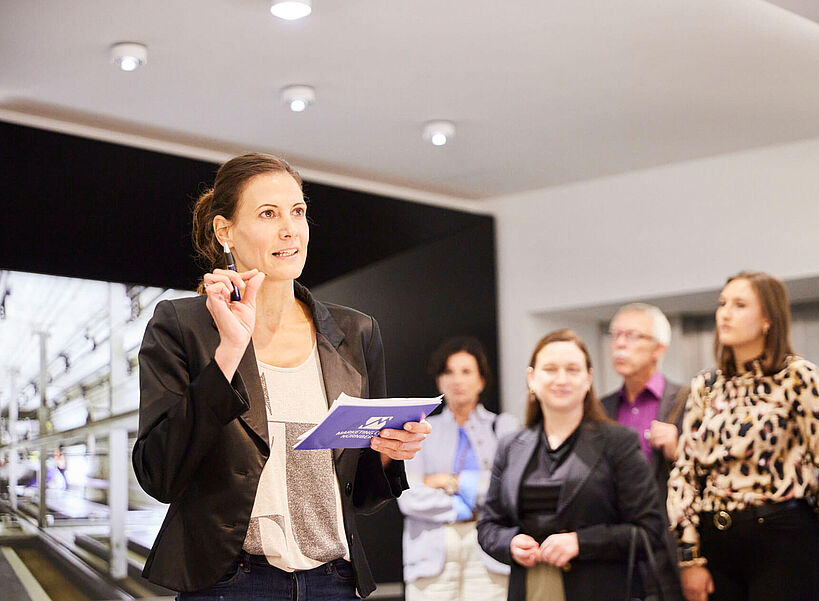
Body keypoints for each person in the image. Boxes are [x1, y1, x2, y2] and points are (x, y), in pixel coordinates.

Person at [132, 153, 431, 599]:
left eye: (298, 211)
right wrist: (229, 352)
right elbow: (159, 475)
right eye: (268, 214)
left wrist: (389, 453)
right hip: (230, 584)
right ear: (225, 231)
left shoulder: (355, 332)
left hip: (334, 581)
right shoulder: (183, 326)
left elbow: (362, 494)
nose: (290, 229)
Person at [668, 271, 819, 601]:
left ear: (767, 319)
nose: (725, 313)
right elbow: (685, 472)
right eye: (722, 304)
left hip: (782, 536)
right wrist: (689, 555)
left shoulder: (797, 377)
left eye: (740, 305)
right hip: (716, 540)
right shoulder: (706, 385)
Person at [477, 329, 667, 601]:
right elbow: (488, 526)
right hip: (530, 587)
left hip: (599, 590)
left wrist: (580, 542)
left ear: (588, 378)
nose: (561, 379)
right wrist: (510, 543)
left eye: (572, 369)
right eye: (550, 369)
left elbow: (649, 530)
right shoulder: (511, 446)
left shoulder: (618, 442)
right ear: (532, 378)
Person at [398, 336, 519, 601]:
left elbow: (509, 491)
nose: (457, 380)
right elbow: (408, 496)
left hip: (488, 550)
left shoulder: (503, 427)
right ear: (439, 380)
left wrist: (450, 482)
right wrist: (469, 504)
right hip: (431, 552)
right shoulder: (420, 430)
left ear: (481, 380)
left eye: (466, 372)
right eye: (449, 372)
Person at [600, 303, 687, 599]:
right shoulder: (600, 410)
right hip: (616, 549)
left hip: (670, 548)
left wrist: (679, 450)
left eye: (632, 336)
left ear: (658, 348)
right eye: (615, 335)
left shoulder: (687, 401)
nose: (620, 344)